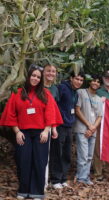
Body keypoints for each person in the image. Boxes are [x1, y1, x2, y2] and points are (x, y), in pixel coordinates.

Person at [0, 64, 63, 199]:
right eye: (33, 75)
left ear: (41, 79)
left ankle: (37, 192)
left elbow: (51, 113)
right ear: (28, 76)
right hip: (23, 133)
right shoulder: (17, 93)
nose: (35, 78)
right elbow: (11, 114)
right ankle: (23, 190)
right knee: (23, 160)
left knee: (39, 161)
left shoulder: (45, 93)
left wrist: (47, 130)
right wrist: (17, 132)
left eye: (38, 77)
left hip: (41, 132)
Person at [49, 71, 85, 189]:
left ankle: (63, 178)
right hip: (59, 125)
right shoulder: (62, 88)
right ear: (71, 78)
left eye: (81, 80)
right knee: (57, 153)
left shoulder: (75, 92)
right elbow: (53, 103)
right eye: (77, 79)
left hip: (69, 126)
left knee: (66, 154)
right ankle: (55, 180)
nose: (79, 82)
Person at [74, 75, 103, 185]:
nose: (95, 83)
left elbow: (100, 116)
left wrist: (93, 127)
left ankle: (84, 176)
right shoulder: (81, 92)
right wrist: (88, 125)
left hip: (93, 130)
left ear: (99, 85)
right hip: (82, 129)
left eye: (98, 82)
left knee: (90, 156)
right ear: (90, 82)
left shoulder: (99, 99)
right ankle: (82, 178)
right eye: (93, 81)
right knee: (83, 155)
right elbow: (77, 110)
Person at [43, 64, 60, 189]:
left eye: (53, 71)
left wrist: (53, 127)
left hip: (49, 126)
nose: (51, 73)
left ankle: (46, 181)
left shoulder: (55, 89)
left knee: (48, 155)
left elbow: (54, 109)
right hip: (36, 125)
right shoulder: (37, 86)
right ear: (43, 72)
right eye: (48, 71)